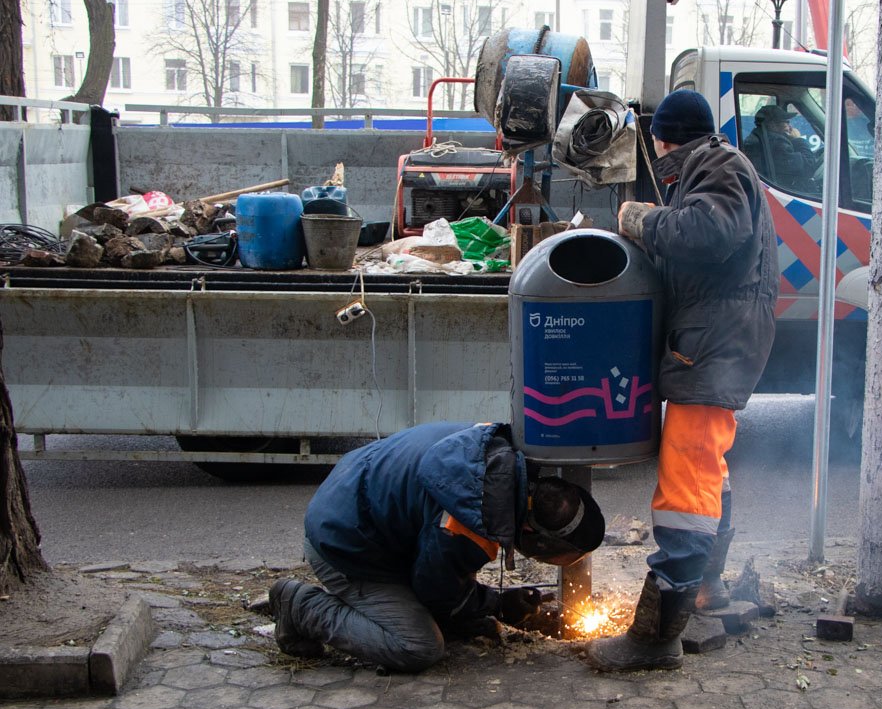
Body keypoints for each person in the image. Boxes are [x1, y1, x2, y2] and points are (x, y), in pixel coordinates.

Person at [587, 89, 779, 672]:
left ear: (665, 139)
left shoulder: (719, 168)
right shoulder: (712, 167)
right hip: (715, 340)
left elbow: (708, 234)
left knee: (687, 481)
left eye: (657, 144)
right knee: (708, 468)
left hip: (716, 343)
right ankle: (706, 586)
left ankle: (656, 638)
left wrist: (642, 219)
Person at [263, 422, 605, 672]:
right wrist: (499, 604)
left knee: (450, 598)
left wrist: (483, 605)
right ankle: (301, 607)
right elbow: (435, 590)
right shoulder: (464, 524)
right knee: (418, 647)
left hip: (356, 488)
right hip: (342, 543)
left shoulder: (503, 456)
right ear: (532, 532)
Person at [741, 104, 820, 191]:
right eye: (786, 122)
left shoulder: (759, 137)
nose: (790, 127)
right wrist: (798, 139)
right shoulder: (777, 143)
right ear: (772, 125)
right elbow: (808, 167)